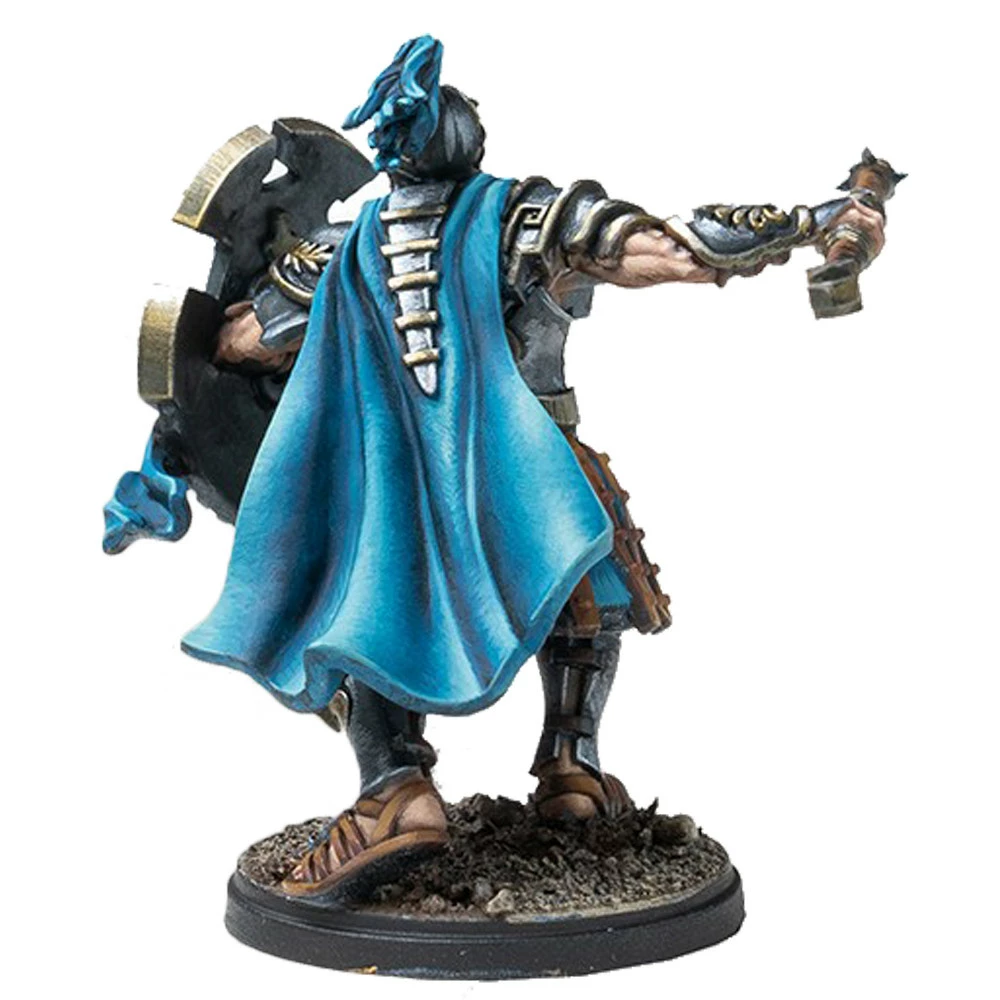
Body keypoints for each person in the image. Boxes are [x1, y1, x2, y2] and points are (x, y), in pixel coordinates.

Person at [121, 36, 887, 899]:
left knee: (373, 603)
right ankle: (565, 766)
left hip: (409, 479)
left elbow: (240, 343)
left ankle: (409, 783)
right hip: (531, 470)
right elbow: (673, 248)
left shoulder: (342, 248)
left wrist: (245, 314)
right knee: (579, 594)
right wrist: (813, 221)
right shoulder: (528, 219)